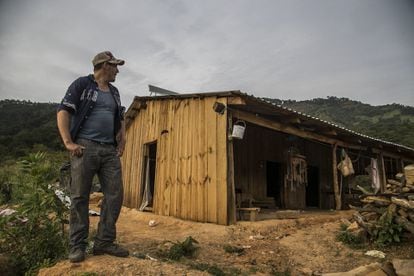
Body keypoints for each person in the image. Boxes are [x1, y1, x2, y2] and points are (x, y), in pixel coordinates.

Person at [57, 51, 129, 263]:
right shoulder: (82, 85)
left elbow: (121, 117)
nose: (117, 70)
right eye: (115, 66)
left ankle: (104, 242)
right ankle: (77, 246)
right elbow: (63, 111)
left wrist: (122, 140)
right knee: (79, 196)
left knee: (115, 195)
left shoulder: (115, 92)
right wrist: (68, 142)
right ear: (105, 65)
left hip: (109, 150)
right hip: (84, 148)